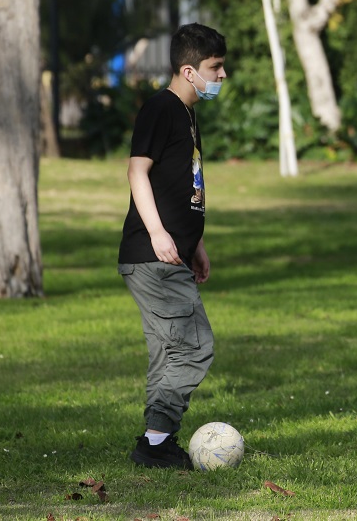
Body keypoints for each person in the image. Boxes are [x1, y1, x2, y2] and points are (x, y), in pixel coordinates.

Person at [118, 23, 227, 469]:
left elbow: (182, 183)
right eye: (214, 68)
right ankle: (157, 443)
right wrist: (160, 234)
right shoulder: (161, 109)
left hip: (170, 254)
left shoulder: (186, 113)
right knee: (194, 346)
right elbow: (137, 172)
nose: (221, 77)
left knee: (168, 350)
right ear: (188, 70)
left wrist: (194, 242)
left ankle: (155, 442)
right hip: (154, 256)